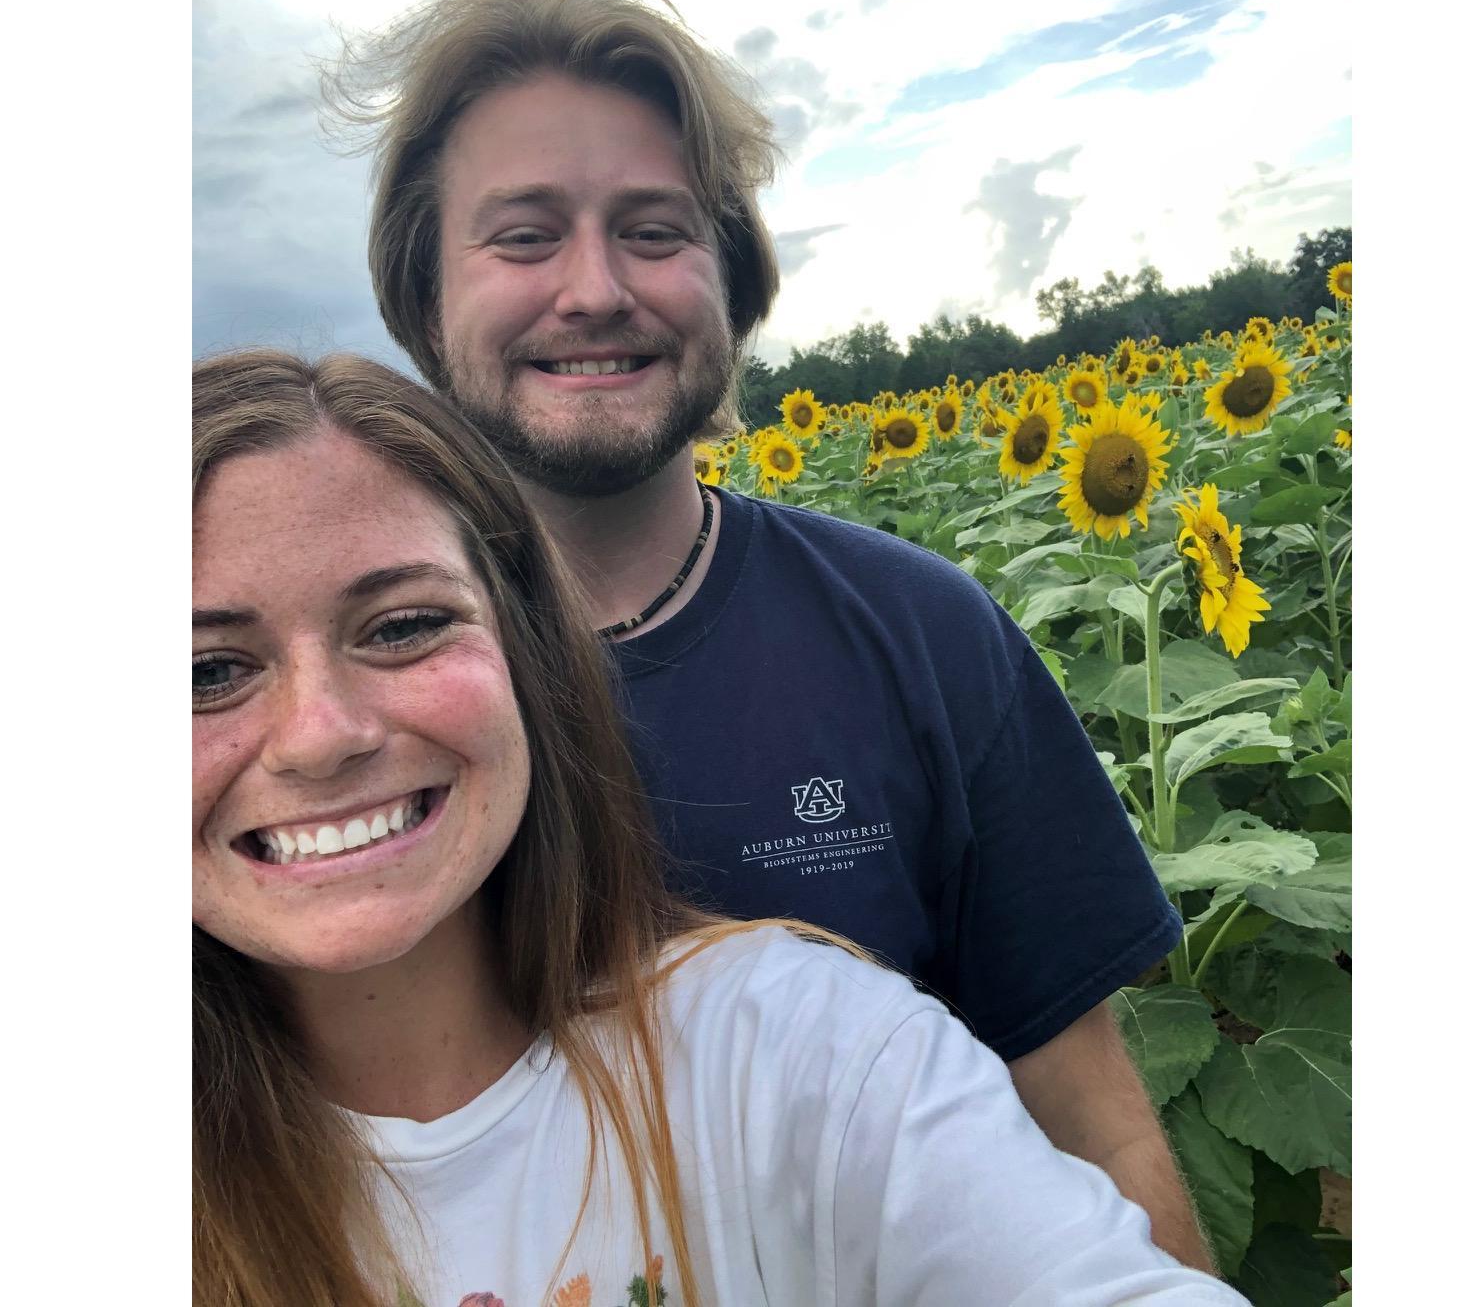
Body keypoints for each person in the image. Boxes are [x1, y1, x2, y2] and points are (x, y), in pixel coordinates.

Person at [322, 0, 1211, 1269]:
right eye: (522, 235)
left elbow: (1097, 1132)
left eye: (654, 229)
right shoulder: (328, 704)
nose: (593, 288)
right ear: (422, 290)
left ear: (732, 285)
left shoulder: (921, 633)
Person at [192, 348, 1246, 1307]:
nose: (319, 734)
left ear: (530, 655)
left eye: (406, 623)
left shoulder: (798, 1060)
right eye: (205, 671)